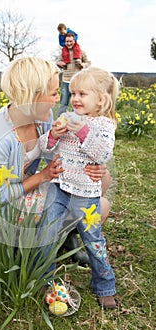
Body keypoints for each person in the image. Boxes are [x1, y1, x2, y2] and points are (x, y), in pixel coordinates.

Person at [0, 57, 109, 267]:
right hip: (2, 207)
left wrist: (95, 165)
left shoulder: (42, 118)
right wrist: (42, 176)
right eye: (54, 93)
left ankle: (63, 237)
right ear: (33, 96)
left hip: (29, 187)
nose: (58, 99)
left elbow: (57, 153)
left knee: (101, 187)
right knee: (98, 206)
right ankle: (36, 248)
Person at [39, 67, 119, 309]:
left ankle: (105, 286)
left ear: (101, 99)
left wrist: (82, 132)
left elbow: (103, 153)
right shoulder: (66, 117)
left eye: (82, 94)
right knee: (46, 232)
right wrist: (53, 135)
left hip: (86, 194)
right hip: (60, 187)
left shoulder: (104, 125)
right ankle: (44, 280)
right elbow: (45, 151)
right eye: (73, 93)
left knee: (93, 240)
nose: (74, 99)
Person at [57, 32, 91, 115]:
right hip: (66, 81)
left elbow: (88, 63)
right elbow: (58, 62)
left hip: (77, 82)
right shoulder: (63, 53)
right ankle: (60, 122)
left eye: (70, 41)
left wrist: (82, 64)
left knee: (76, 104)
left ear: (74, 41)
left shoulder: (80, 52)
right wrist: (59, 63)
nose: (68, 43)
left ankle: (74, 121)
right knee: (63, 104)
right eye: (67, 41)